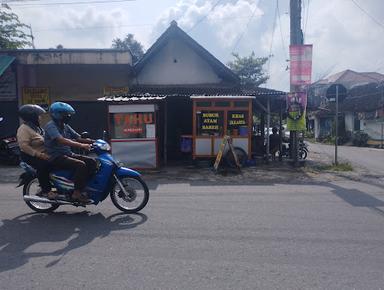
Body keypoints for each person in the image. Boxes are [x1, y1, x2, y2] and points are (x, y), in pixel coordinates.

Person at [44, 102, 97, 203]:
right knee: (80, 165)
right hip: (56, 156)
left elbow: (78, 137)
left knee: (92, 162)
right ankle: (76, 193)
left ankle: (83, 186)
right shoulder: (51, 126)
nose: (68, 116)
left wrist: (95, 141)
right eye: (65, 114)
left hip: (67, 154)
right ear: (57, 114)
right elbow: (61, 140)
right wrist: (82, 146)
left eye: (68, 114)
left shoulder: (65, 126)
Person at [16, 104, 57, 199]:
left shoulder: (36, 128)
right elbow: (24, 146)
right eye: (38, 116)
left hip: (43, 153)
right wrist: (39, 155)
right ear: (32, 117)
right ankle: (46, 191)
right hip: (30, 155)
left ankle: (55, 187)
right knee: (44, 165)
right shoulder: (23, 129)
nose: (40, 118)